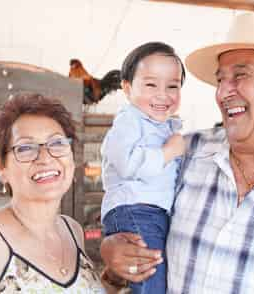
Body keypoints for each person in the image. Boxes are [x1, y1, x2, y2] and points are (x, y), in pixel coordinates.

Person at [100, 12, 254, 293]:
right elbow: (130, 212)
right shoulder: (184, 154)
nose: (222, 92)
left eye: (240, 75)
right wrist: (115, 259)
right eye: (220, 80)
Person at [0, 94, 118, 293]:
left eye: (57, 143)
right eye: (25, 148)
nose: (45, 158)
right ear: (0, 164)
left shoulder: (72, 231)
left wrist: (115, 278)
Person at [100, 41, 186, 294]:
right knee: (150, 278)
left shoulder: (164, 126)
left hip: (154, 213)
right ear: (127, 88)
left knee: (154, 276)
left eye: (173, 86)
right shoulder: (129, 121)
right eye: (151, 85)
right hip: (134, 210)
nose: (163, 94)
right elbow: (127, 164)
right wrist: (169, 152)